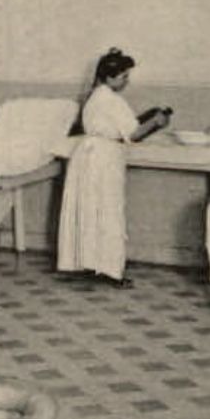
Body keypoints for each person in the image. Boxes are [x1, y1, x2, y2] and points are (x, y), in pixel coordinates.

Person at [56, 48, 172, 287]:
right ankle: (111, 270)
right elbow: (134, 133)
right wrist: (157, 122)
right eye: (123, 77)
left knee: (89, 210)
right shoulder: (111, 99)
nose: (126, 81)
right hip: (104, 158)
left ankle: (86, 263)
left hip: (86, 156)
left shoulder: (93, 96)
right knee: (109, 209)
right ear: (109, 77)